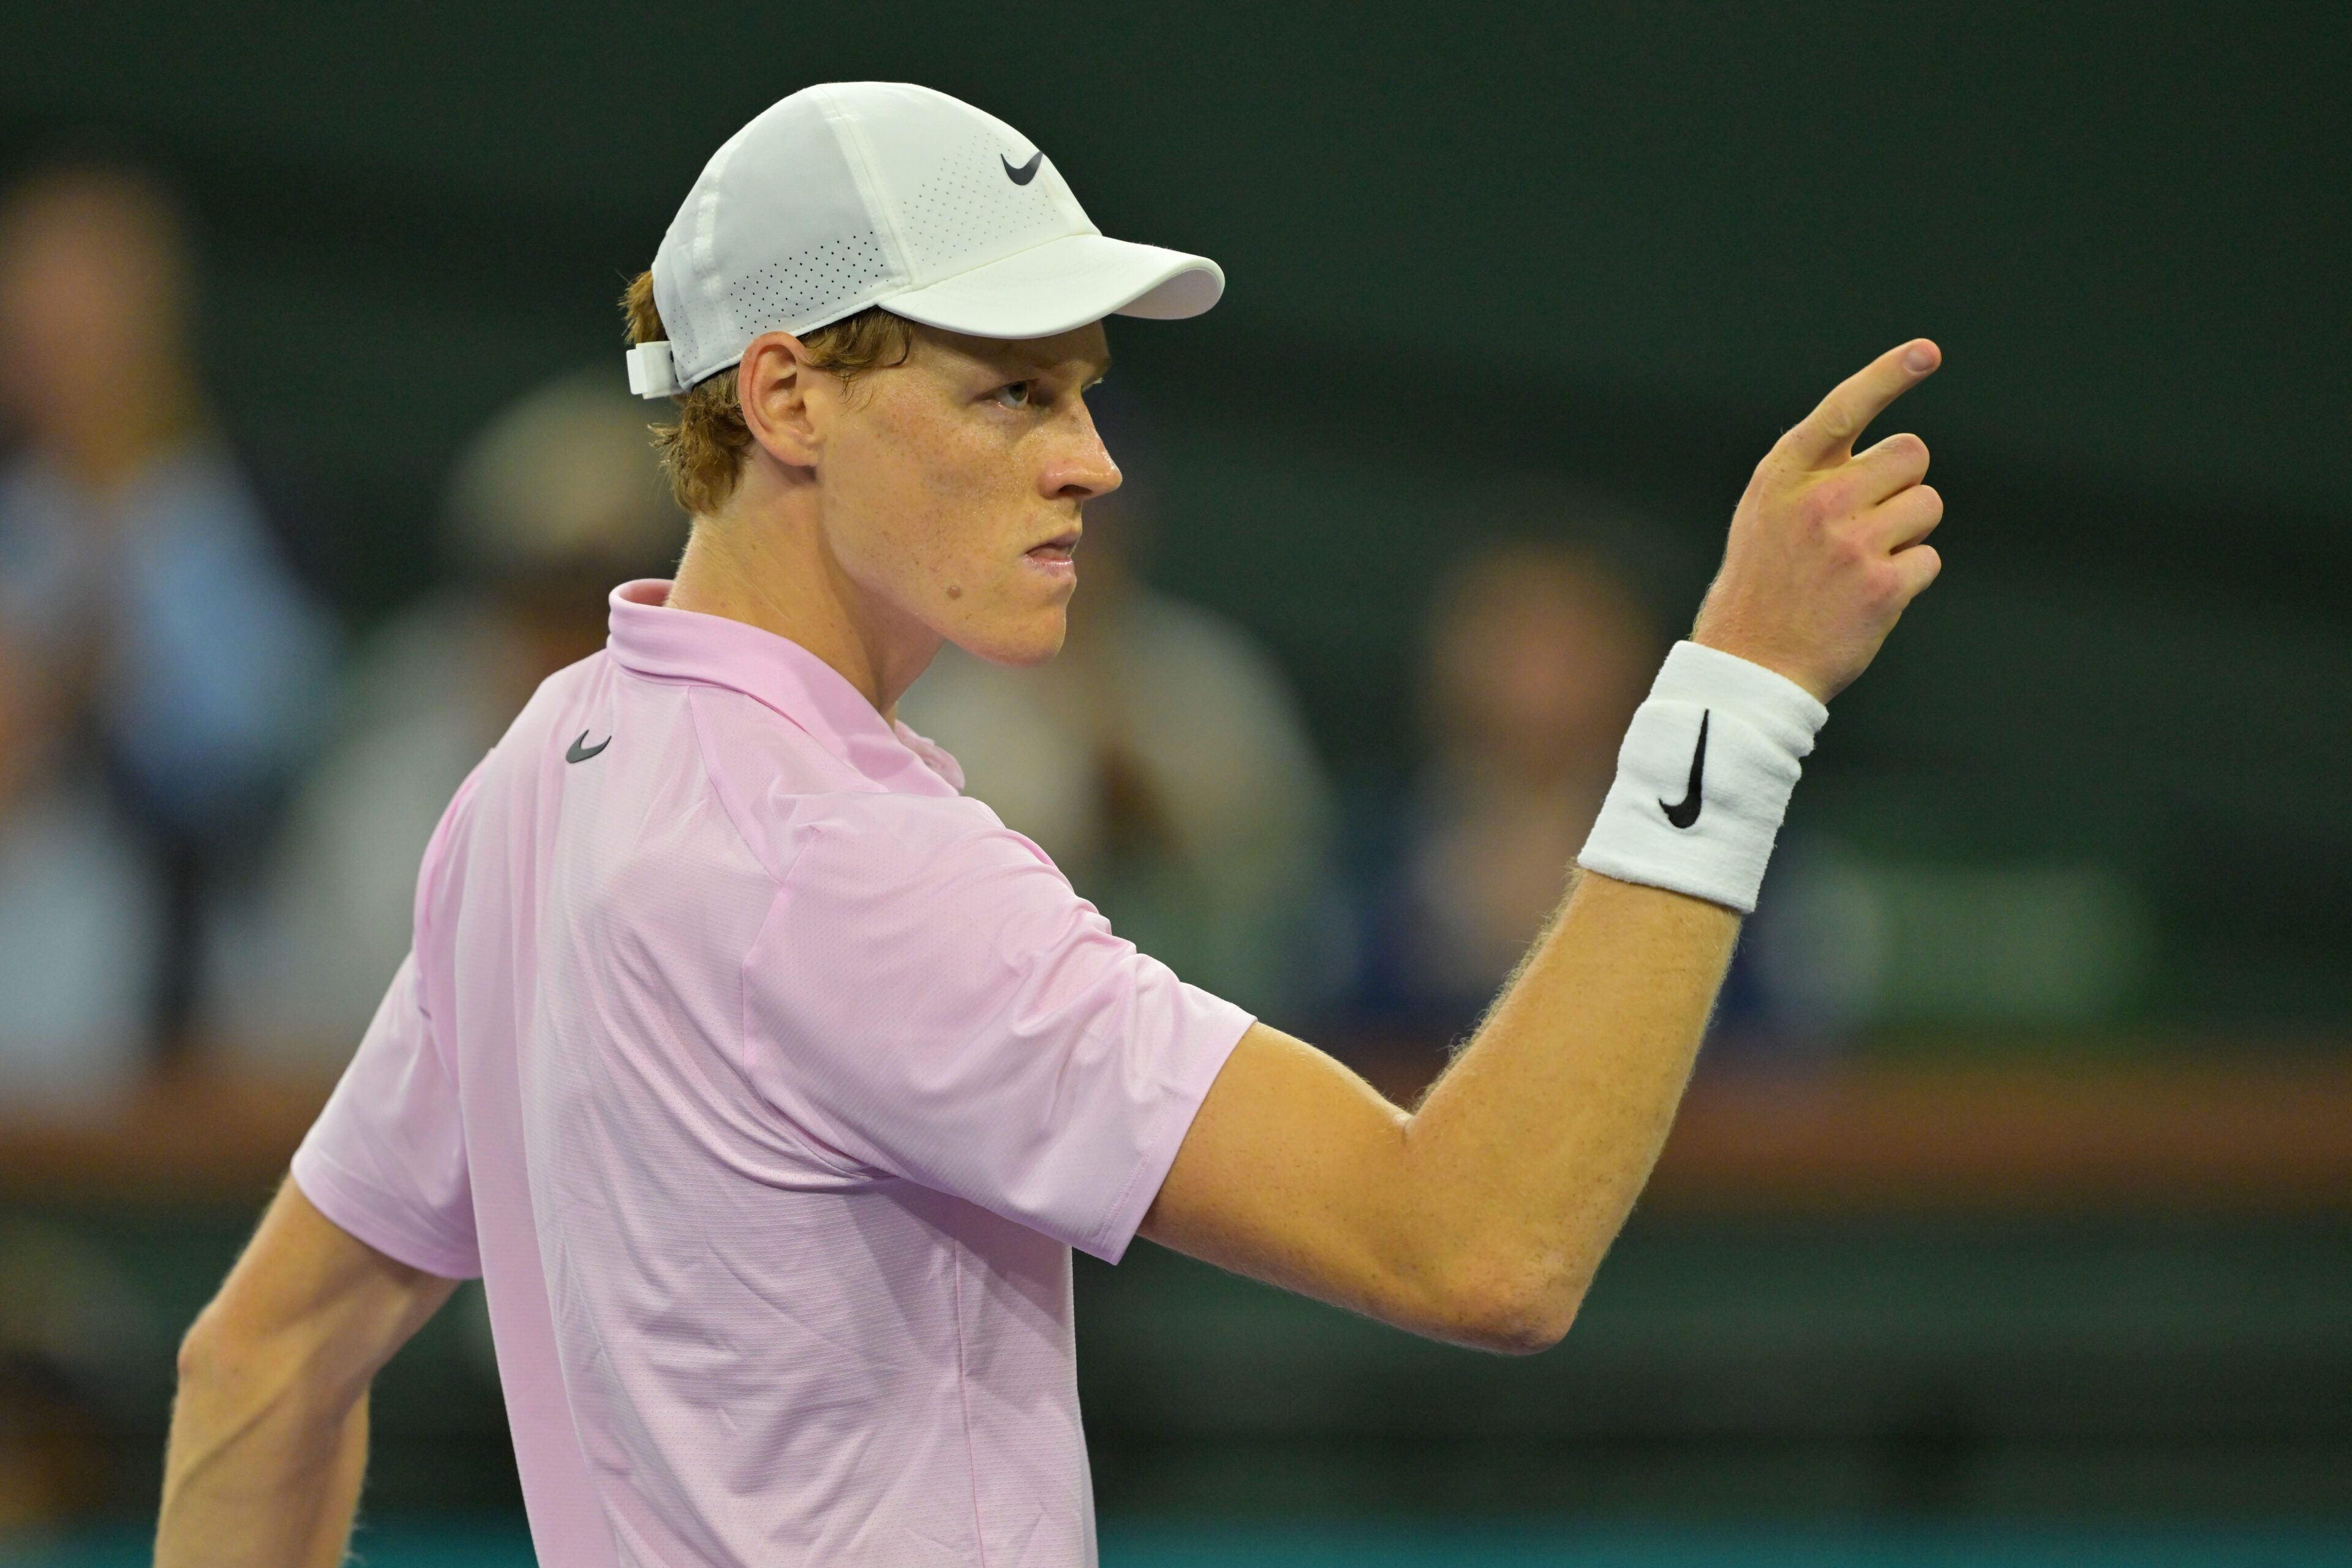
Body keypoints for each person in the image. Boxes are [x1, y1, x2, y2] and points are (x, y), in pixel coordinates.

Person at [156, 83, 1945, 1566]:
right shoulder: (845, 871)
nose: (1086, 456)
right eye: (1009, 390)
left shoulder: (548, 772)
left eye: (1083, 388)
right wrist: (1741, 688)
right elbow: (1477, 1241)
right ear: (784, 398)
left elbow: (265, 1351)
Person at [221, 371, 686, 1065]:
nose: (571, 645)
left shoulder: (766, 785)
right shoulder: (384, 801)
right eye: (538, 607)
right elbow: (284, 1065)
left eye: (602, 610)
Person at [0, 160, 335, 1060]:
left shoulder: (239, 508)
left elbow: (263, 747)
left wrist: (120, 566)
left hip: (187, 1013)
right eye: (31, 310)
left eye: (80, 319)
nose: (49, 342)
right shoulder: (19, 513)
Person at [899, 450, 1335, 1021]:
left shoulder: (1206, 674)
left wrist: (1162, 819)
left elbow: (1289, 876)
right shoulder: (936, 688)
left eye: (1097, 518)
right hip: (996, 1021)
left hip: (1201, 1014)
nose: (1078, 540)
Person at [1362, 537, 1659, 1029]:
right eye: (1512, 637)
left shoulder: (1698, 841)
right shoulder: (1370, 848)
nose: (1539, 675)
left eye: (1572, 643)